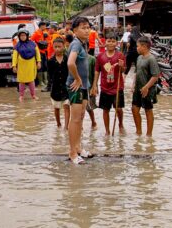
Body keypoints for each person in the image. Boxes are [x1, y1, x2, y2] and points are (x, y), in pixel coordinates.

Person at [66, 16, 93, 164]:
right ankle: (72, 153)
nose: (87, 30)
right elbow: (70, 63)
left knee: (81, 117)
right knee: (75, 119)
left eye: (88, 27)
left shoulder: (83, 43)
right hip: (75, 86)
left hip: (84, 86)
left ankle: (78, 147)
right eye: (83, 27)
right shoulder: (76, 44)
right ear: (75, 30)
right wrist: (77, 79)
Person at [95, 34, 126, 135]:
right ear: (105, 43)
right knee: (105, 110)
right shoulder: (100, 56)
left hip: (117, 86)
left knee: (119, 108)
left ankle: (120, 124)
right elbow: (97, 71)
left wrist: (122, 66)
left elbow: (123, 70)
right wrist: (94, 85)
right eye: (109, 41)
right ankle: (107, 130)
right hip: (105, 87)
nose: (111, 43)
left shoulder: (120, 55)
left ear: (116, 43)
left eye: (113, 41)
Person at [131, 37, 161, 136]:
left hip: (148, 90)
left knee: (148, 110)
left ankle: (149, 134)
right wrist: (133, 84)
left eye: (138, 46)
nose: (137, 48)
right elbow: (136, 72)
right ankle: (138, 131)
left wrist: (146, 87)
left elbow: (155, 75)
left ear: (144, 46)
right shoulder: (139, 58)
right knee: (134, 109)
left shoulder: (151, 59)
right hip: (138, 88)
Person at [12, 28, 41, 101]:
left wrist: (39, 62)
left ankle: (33, 95)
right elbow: (15, 56)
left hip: (31, 64)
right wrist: (14, 66)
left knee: (31, 80)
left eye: (24, 35)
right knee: (21, 81)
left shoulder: (33, 44)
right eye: (21, 35)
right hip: (21, 65)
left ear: (27, 36)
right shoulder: (17, 46)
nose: (23, 37)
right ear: (19, 37)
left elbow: (37, 53)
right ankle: (21, 96)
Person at [47, 37, 70, 129]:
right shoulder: (50, 61)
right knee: (56, 108)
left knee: (66, 106)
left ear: (64, 46)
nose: (57, 49)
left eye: (59, 46)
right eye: (55, 47)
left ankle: (66, 127)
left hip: (66, 87)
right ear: (53, 47)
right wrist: (50, 86)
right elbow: (50, 75)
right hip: (55, 88)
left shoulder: (68, 59)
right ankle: (58, 124)